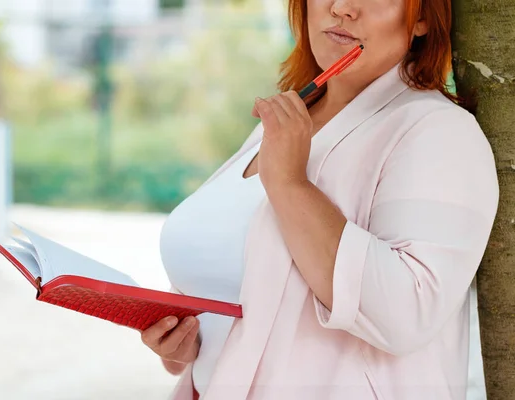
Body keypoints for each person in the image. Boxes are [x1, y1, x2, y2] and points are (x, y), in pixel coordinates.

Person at [141, 0, 499, 398]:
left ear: (420, 18)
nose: (343, 7)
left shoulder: (440, 132)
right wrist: (187, 344)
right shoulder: (289, 121)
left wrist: (291, 186)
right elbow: (246, 298)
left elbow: (408, 312)